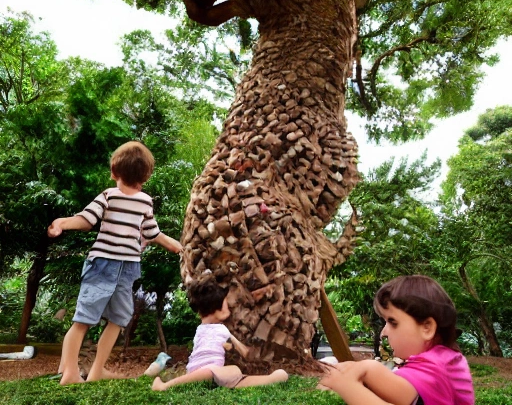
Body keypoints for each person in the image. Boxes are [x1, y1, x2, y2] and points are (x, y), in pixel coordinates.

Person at [47, 141, 183, 385]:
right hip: (104, 264)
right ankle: (70, 374)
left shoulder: (140, 201)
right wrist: (63, 222)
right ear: (146, 175)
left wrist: (61, 223)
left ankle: (97, 370)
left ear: (114, 172)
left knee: (115, 319)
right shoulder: (112, 197)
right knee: (85, 318)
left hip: (127, 267)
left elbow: (86, 220)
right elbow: (153, 234)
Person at [319, 275, 475, 405]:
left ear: (427, 327)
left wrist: (345, 385)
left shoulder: (438, 364)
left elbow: (400, 395)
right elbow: (397, 392)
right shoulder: (441, 359)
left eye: (393, 322)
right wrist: (361, 369)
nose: (384, 333)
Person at [152, 273, 289, 391]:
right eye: (225, 303)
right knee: (230, 371)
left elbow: (243, 351)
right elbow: (243, 351)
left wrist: (239, 348)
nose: (228, 306)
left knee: (275, 375)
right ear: (218, 309)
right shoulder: (219, 329)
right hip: (206, 372)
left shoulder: (204, 329)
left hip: (212, 375)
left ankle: (273, 378)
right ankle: (165, 386)